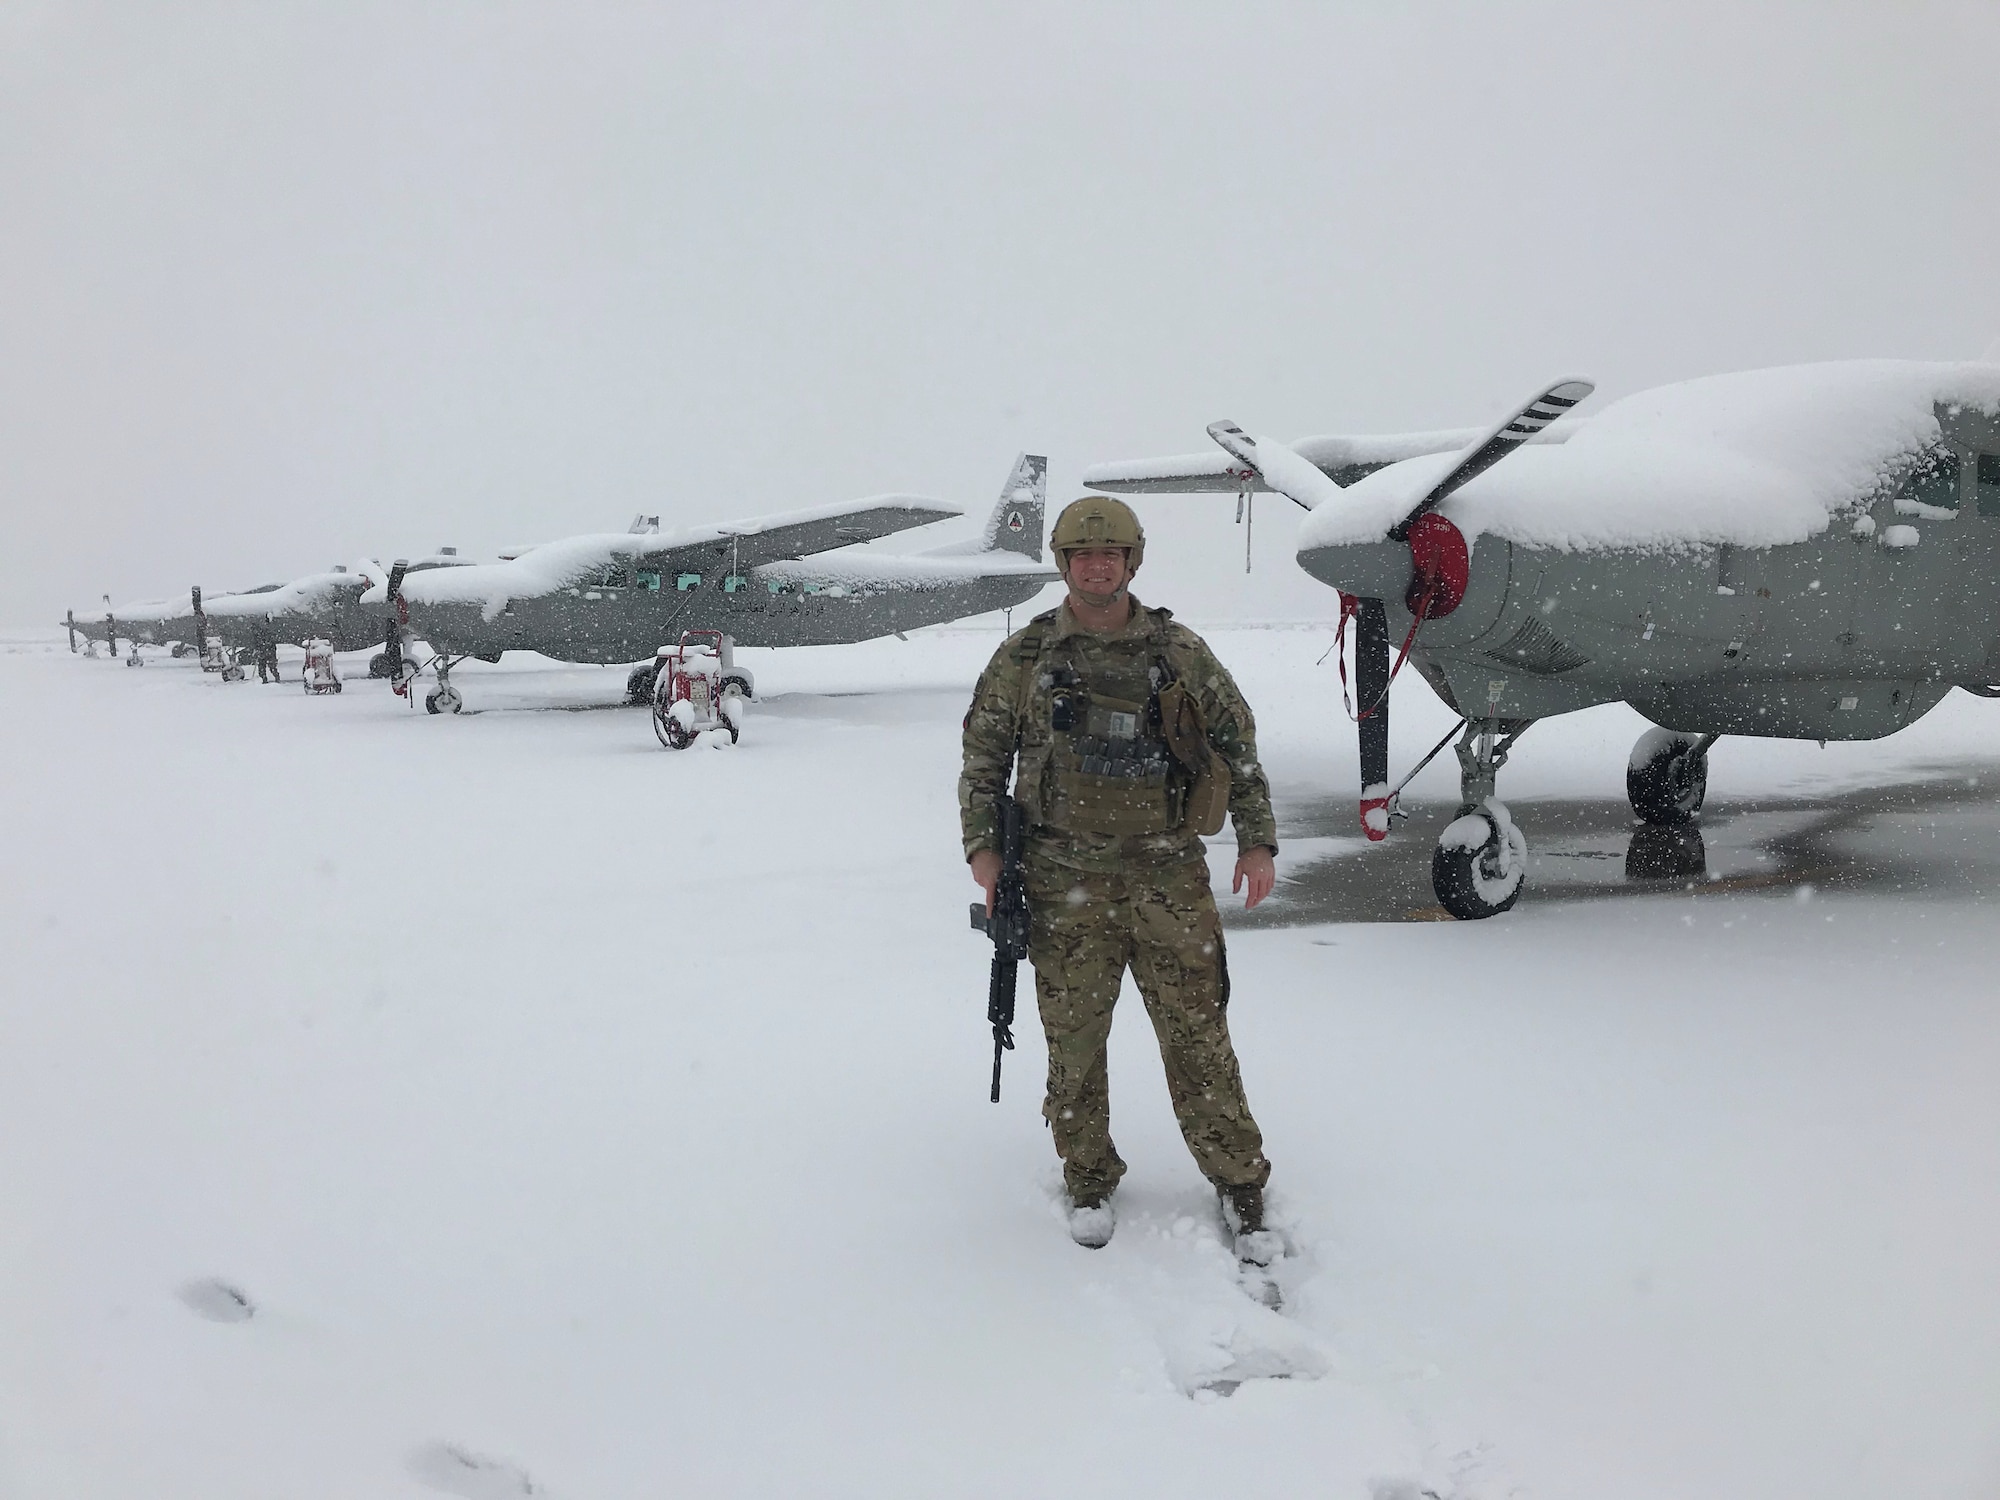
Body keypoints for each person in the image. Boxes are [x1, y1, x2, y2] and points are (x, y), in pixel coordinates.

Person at [959, 496, 1280, 1259]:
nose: (1096, 565)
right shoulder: (1027, 657)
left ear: (1131, 562)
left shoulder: (1178, 651)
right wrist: (984, 851)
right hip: (1062, 876)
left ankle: (1239, 1180)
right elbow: (982, 758)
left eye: (1110, 554)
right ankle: (1089, 1176)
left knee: (1198, 1036)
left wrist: (1257, 843)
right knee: (1073, 1041)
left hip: (1167, 875)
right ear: (1063, 563)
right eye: (1080, 554)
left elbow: (1238, 746)